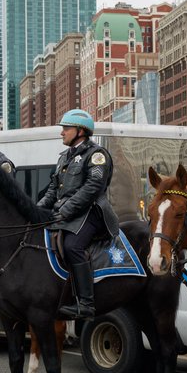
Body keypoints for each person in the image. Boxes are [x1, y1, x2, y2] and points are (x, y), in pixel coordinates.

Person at [36, 109, 119, 320]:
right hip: (68, 213)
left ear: (81, 131)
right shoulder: (65, 156)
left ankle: (86, 303)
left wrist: (65, 210)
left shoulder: (97, 155)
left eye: (66, 128)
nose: (62, 132)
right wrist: (36, 210)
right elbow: (53, 189)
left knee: (73, 246)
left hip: (91, 211)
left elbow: (92, 188)